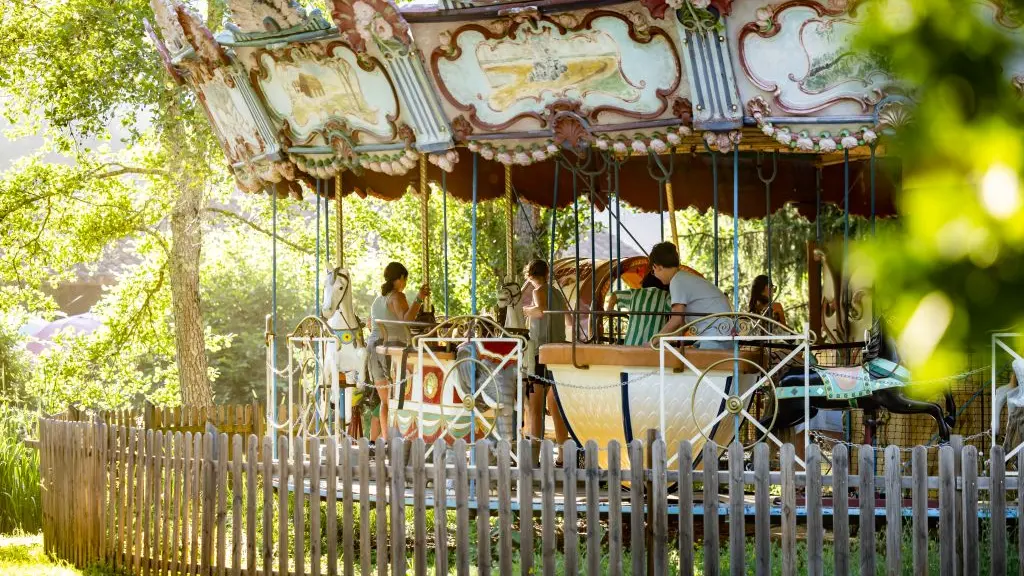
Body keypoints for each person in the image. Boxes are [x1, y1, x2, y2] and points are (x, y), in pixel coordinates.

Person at [366, 262, 430, 442]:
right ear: (400, 278)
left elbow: (371, 324)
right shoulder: (396, 296)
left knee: (386, 401)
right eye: (405, 279)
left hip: (373, 348)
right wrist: (418, 299)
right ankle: (401, 437)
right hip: (390, 348)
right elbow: (406, 320)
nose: (405, 283)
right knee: (397, 396)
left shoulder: (378, 299)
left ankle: (387, 440)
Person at [520, 259, 570, 463]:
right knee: (556, 404)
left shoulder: (538, 291)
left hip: (541, 351)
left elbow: (540, 310)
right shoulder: (557, 293)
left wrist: (526, 310)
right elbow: (569, 319)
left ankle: (534, 454)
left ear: (530, 275)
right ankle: (562, 453)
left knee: (536, 405)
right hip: (558, 349)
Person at [648, 242, 732, 349]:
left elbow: (676, 319)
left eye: (653, 271)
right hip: (724, 333)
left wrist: (652, 342)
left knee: (696, 364)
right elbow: (682, 324)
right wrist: (668, 342)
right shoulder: (684, 277)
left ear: (657, 267)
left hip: (716, 336)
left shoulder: (677, 281)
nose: (655, 275)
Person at [606, 271, 672, 346]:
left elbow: (615, 295)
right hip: (653, 346)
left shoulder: (634, 293)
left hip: (632, 344)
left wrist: (609, 309)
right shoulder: (666, 296)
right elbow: (676, 314)